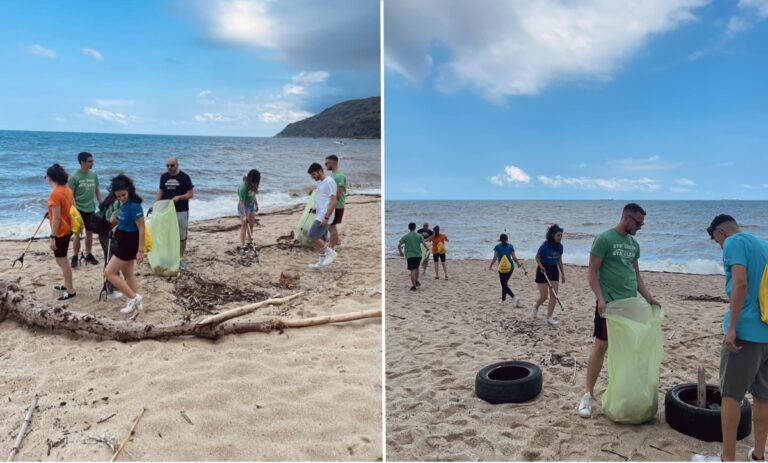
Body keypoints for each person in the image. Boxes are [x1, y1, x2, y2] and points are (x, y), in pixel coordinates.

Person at [693, 215, 768, 462]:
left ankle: (727, 459)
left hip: (745, 332)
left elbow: (740, 284)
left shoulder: (734, 242)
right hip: (766, 332)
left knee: (730, 395)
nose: (719, 246)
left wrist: (732, 328)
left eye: (716, 241)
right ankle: (758, 454)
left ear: (720, 232)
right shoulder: (762, 244)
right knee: (762, 396)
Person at [578, 203, 659, 418]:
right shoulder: (604, 239)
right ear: (627, 217)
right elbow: (592, 273)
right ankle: (587, 394)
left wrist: (649, 298)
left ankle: (625, 393)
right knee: (601, 345)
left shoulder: (634, 244)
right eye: (638, 223)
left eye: (642, 224)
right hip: (610, 304)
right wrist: (600, 299)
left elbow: (636, 276)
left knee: (633, 349)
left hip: (631, 304)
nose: (640, 227)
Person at [105, 174, 146, 316]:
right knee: (128, 274)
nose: (122, 198)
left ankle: (133, 298)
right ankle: (138, 305)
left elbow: (142, 228)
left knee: (109, 273)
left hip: (129, 244)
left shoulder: (134, 206)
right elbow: (125, 221)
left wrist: (141, 250)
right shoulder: (125, 204)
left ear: (129, 190)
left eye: (123, 195)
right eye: (118, 196)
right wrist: (116, 228)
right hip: (123, 239)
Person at [46, 164, 76, 301]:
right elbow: (72, 207)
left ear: (50, 178)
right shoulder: (67, 190)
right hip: (68, 229)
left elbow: (57, 218)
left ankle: (70, 291)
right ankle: (66, 285)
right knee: (63, 260)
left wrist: (52, 237)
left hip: (60, 232)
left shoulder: (55, 194)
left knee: (62, 262)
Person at [156, 157, 193, 267]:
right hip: (166, 211)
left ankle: (180, 258)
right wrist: (154, 204)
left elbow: (190, 194)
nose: (169, 168)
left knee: (181, 236)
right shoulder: (163, 177)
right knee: (166, 235)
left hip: (181, 211)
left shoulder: (185, 177)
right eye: (167, 165)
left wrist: (179, 197)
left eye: (172, 165)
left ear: (177, 165)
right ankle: (167, 257)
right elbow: (161, 192)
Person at [68, 151, 102, 267]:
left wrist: (101, 203)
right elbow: (70, 195)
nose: (92, 163)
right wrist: (75, 210)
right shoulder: (74, 177)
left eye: (92, 161)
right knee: (77, 233)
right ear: (82, 162)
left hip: (90, 208)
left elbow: (97, 190)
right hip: (79, 209)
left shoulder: (93, 174)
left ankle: (88, 255)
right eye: (89, 161)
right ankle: (75, 256)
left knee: (89, 233)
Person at [533, 224, 566, 327]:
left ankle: (549, 318)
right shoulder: (545, 246)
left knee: (554, 295)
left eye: (561, 235)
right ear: (552, 235)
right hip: (543, 269)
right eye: (558, 235)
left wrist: (563, 274)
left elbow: (559, 260)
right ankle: (536, 306)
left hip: (553, 270)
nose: (560, 237)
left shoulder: (560, 246)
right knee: (544, 297)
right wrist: (541, 266)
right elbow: (537, 258)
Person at [306, 162, 338, 268]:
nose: (313, 177)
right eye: (311, 175)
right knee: (322, 239)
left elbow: (334, 201)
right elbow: (323, 199)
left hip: (324, 215)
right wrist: (316, 209)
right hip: (320, 213)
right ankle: (321, 263)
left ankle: (331, 253)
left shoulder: (329, 181)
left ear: (320, 171)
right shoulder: (321, 183)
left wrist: (326, 217)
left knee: (312, 235)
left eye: (314, 174)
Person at [488, 233, 526, 305]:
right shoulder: (510, 246)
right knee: (504, 284)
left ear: (500, 240)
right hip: (510, 268)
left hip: (502, 268)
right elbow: (514, 257)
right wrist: (518, 264)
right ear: (507, 239)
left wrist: (491, 265)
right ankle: (503, 301)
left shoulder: (497, 247)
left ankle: (514, 297)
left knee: (504, 284)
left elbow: (495, 258)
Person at [325, 155, 346, 250]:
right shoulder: (332, 176)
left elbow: (338, 194)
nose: (325, 165)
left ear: (332, 163)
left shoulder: (339, 176)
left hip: (337, 205)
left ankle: (332, 248)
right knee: (331, 226)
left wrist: (329, 205)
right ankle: (337, 242)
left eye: (327, 163)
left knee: (331, 226)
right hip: (332, 205)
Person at [398, 222, 428, 291]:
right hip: (418, 255)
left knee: (412, 270)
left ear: (409, 228)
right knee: (417, 268)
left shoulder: (406, 236)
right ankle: (416, 281)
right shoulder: (419, 235)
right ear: (415, 227)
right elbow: (424, 244)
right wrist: (427, 249)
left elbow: (399, 245)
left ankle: (413, 286)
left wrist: (401, 252)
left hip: (410, 255)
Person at [237, 169, 260, 253]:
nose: (256, 183)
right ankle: (242, 246)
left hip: (251, 205)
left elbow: (253, 195)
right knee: (244, 226)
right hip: (244, 207)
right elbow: (241, 202)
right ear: (251, 179)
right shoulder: (243, 187)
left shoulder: (254, 184)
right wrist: (244, 215)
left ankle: (250, 242)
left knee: (251, 225)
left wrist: (256, 204)